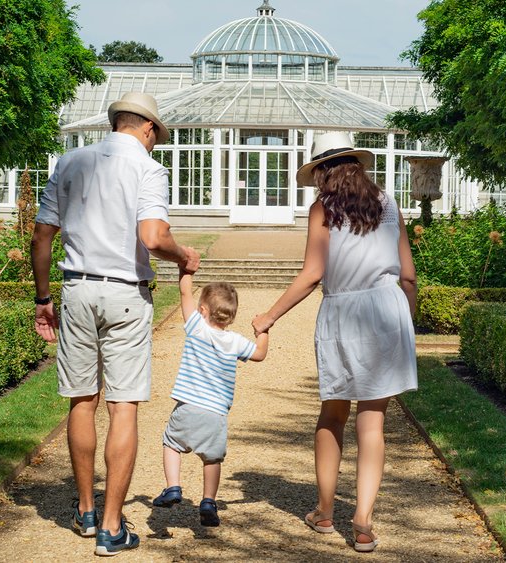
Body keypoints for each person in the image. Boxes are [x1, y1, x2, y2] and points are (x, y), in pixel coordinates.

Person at [31, 91, 200, 557]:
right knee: (122, 407)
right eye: (156, 137)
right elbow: (152, 236)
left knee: (81, 401)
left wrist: (43, 297)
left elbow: (43, 235)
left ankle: (86, 511)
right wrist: (183, 254)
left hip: (77, 289)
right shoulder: (146, 168)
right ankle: (111, 526)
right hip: (125, 294)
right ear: (148, 129)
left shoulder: (70, 162)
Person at [251, 131, 418, 553]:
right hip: (387, 308)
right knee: (372, 420)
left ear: (323, 171)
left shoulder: (322, 209)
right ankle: (362, 518)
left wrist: (269, 316)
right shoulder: (387, 203)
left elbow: (312, 274)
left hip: (344, 312)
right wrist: (407, 321)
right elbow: (409, 275)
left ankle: (325, 511)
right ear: (356, 165)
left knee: (333, 413)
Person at [151, 271, 268, 527]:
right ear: (231, 316)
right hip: (215, 413)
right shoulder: (235, 341)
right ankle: (208, 501)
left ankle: (173, 486)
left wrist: (186, 271)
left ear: (203, 309)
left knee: (171, 443)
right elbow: (259, 354)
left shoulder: (196, 328)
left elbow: (184, 293)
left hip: (188, 405)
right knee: (212, 458)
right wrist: (263, 330)